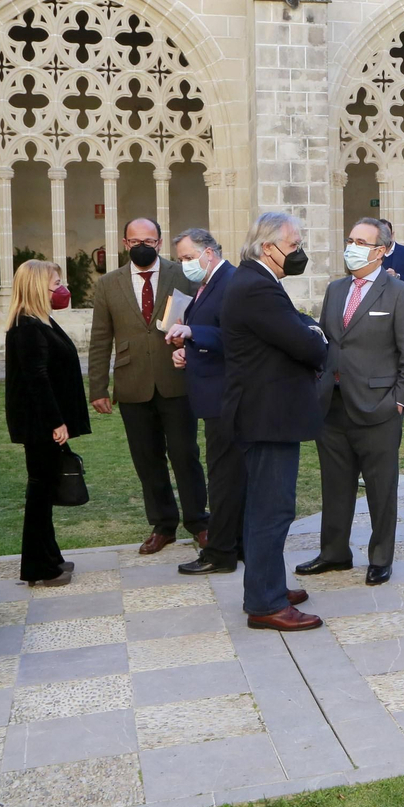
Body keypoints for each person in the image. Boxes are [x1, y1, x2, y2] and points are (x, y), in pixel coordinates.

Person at [298, 218, 404, 588]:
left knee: (380, 488)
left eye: (361, 242)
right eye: (350, 239)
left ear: (382, 250)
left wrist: (399, 402)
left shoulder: (399, 293)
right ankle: (334, 553)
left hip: (379, 407)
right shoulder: (336, 289)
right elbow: (329, 343)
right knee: (334, 485)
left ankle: (380, 557)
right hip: (333, 406)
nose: (351, 247)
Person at [221, 212, 329, 631]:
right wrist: (316, 336)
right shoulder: (256, 288)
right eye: (294, 245)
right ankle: (265, 603)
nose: (299, 252)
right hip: (267, 416)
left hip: (264, 413)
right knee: (272, 510)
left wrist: (308, 329)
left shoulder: (257, 283)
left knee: (264, 508)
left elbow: (297, 325)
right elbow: (306, 342)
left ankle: (267, 586)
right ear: (268, 247)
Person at [88, 217, 207, 555]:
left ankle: (199, 522)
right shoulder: (108, 284)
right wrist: (98, 388)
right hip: (132, 384)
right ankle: (162, 525)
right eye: (135, 240)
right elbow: (100, 339)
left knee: (185, 455)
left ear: (159, 243)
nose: (142, 245)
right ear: (125, 244)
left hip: (177, 379)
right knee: (146, 459)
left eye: (149, 240)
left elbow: (200, 320)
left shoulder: (182, 274)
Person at [5, 259, 91, 588]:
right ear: (39, 287)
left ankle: (49, 557)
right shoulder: (28, 327)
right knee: (40, 492)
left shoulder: (41, 322)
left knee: (44, 488)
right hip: (40, 424)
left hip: (43, 422)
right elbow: (37, 379)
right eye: (56, 284)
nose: (62, 289)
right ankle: (39, 567)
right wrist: (57, 422)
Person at [166, 229, 243, 575]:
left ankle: (222, 551)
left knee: (224, 476)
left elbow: (237, 335)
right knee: (229, 475)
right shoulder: (209, 284)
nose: (184, 265)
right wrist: (188, 352)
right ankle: (236, 543)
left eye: (186, 257)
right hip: (213, 392)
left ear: (208, 252)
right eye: (180, 259)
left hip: (227, 396)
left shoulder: (230, 281)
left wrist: (194, 334)